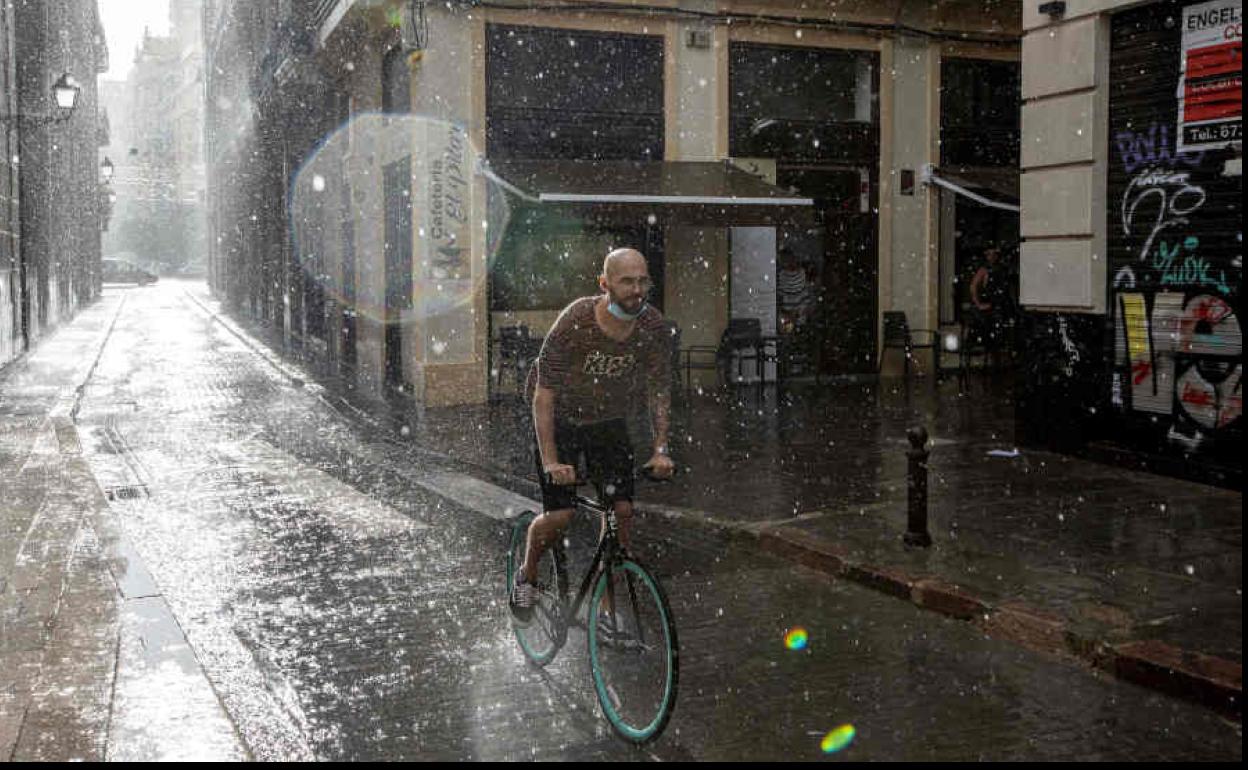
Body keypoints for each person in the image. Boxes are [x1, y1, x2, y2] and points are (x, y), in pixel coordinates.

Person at [510, 247, 676, 625]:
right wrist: (552, 461)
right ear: (604, 284)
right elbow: (543, 394)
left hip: (608, 421)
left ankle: (606, 605)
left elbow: (659, 390)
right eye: (626, 281)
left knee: (621, 512)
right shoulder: (576, 321)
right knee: (561, 513)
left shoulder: (652, 326)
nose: (637, 289)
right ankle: (528, 572)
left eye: (642, 281)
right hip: (560, 419)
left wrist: (660, 449)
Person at [968, 246, 1012, 363]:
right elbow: (973, 287)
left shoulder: (1001, 270)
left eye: (994, 254)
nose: (992, 257)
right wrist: (979, 304)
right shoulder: (984, 270)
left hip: (999, 306)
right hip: (989, 308)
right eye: (989, 254)